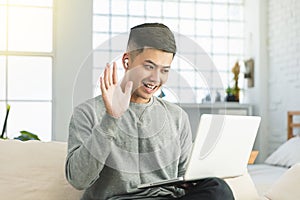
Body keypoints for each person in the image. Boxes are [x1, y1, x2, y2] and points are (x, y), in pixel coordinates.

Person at [65, 23, 234, 200]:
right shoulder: (88, 112)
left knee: (218, 188)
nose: (156, 79)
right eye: (149, 66)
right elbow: (78, 180)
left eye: (164, 70)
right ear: (126, 61)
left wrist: (196, 177)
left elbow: (184, 175)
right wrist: (111, 118)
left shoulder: (176, 116)